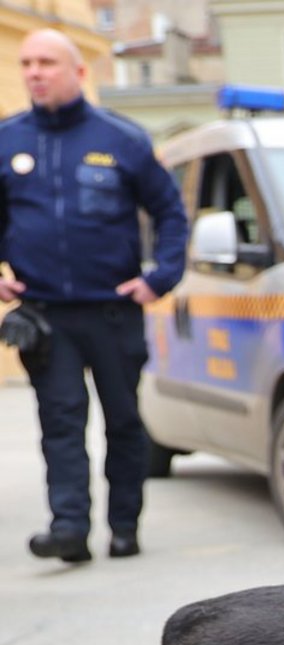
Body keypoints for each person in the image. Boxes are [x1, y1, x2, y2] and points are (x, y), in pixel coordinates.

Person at [0, 28, 187, 562]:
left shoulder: (121, 139)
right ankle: (69, 529)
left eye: (47, 63)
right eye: (27, 62)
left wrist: (159, 277)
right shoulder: (7, 140)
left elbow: (171, 213)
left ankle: (124, 525)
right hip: (46, 316)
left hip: (113, 312)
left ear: (79, 72)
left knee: (124, 422)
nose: (35, 72)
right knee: (61, 423)